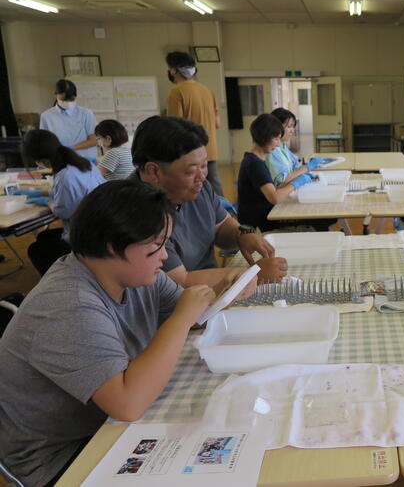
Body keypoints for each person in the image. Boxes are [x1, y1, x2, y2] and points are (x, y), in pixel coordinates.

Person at [0, 180, 218, 487]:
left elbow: (194, 316)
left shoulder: (137, 274)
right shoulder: (68, 303)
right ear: (113, 246)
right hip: (59, 457)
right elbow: (128, 404)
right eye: (156, 245)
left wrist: (204, 305)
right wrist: (183, 318)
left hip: (106, 423)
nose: (164, 256)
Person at [131, 116, 287, 287]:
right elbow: (180, 281)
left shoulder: (197, 188)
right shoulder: (136, 212)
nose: (202, 177)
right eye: (191, 171)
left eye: (204, 165)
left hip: (211, 291)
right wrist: (251, 274)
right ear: (154, 172)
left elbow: (221, 226)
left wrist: (242, 235)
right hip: (182, 298)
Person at [22, 129, 106, 276]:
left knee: (35, 249)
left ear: (42, 160)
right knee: (43, 237)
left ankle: (65, 279)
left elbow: (63, 211)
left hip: (87, 240)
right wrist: (45, 193)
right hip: (102, 231)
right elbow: (73, 192)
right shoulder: (83, 163)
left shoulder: (65, 175)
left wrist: (48, 202)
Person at [165, 51, 223, 197]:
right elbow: (217, 123)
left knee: (191, 190)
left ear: (173, 70)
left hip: (188, 151)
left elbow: (174, 127)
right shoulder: (207, 91)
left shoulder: (176, 92)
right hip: (209, 149)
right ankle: (225, 210)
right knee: (214, 188)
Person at [237, 113, 309, 231]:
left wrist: (297, 180)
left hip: (266, 215)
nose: (278, 143)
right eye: (276, 139)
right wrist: (295, 183)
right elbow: (275, 197)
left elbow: (273, 189)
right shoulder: (255, 164)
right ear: (264, 137)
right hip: (260, 222)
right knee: (316, 222)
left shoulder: (256, 159)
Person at [38, 79, 98, 160]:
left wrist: (71, 148)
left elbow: (94, 140)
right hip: (61, 159)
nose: (68, 102)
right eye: (64, 100)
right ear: (55, 94)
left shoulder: (86, 113)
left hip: (85, 159)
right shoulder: (46, 116)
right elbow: (44, 142)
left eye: (71, 100)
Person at [266, 107, 324, 187]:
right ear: (276, 127)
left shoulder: (282, 145)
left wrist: (307, 166)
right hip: (283, 190)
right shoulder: (272, 150)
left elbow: (294, 164)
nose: (292, 131)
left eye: (293, 127)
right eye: (289, 127)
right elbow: (280, 182)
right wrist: (306, 168)